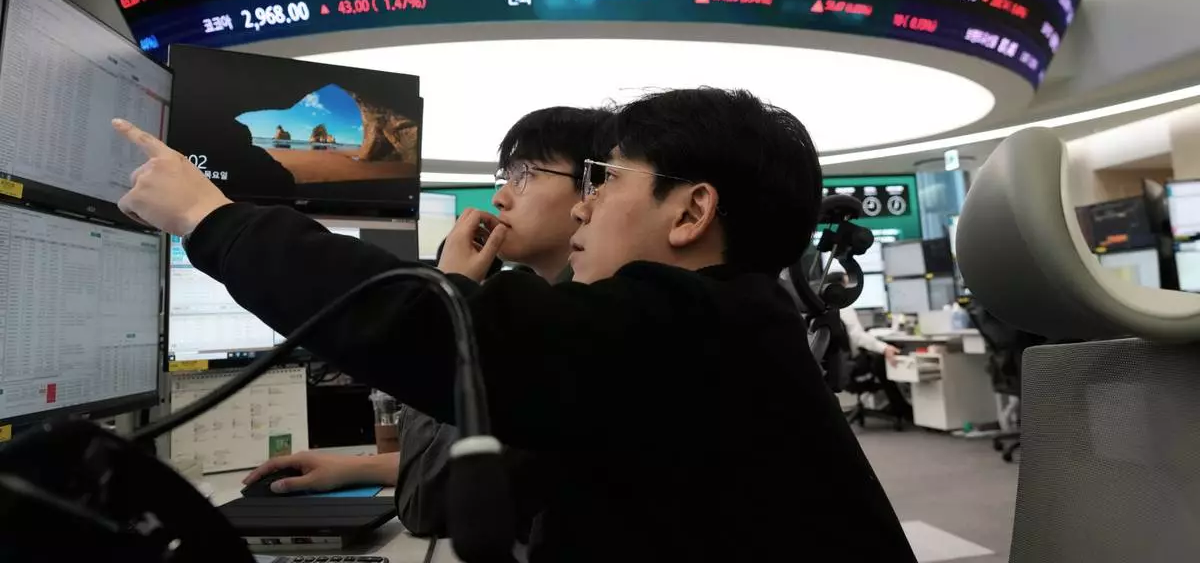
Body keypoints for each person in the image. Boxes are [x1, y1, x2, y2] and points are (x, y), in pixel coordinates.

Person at [112, 87, 916, 562]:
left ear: (691, 210)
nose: (587, 203)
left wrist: (208, 218)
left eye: (604, 179)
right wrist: (369, 467)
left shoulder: (686, 324)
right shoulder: (725, 325)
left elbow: (434, 329)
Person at [242, 106, 611, 539]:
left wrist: (447, 293)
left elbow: (426, 502)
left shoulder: (565, 331)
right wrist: (358, 468)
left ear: (593, 188)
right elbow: (503, 456)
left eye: (525, 175)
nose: (499, 197)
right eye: (505, 177)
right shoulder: (562, 306)